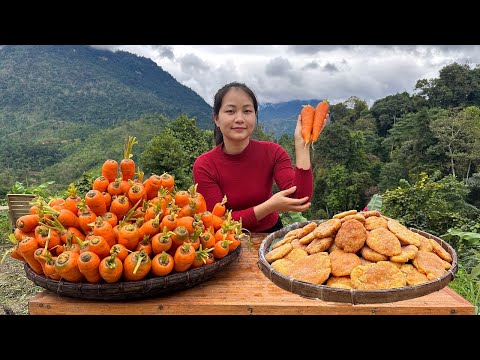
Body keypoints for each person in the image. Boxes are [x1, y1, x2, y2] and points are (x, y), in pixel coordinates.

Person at [193, 82, 318, 233]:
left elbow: (300, 198)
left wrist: (302, 143)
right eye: (230, 111)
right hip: (226, 242)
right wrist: (269, 207)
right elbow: (217, 221)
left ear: (255, 116)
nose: (239, 118)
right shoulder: (205, 165)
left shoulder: (273, 152)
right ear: (217, 119)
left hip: (270, 235)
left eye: (247, 111)